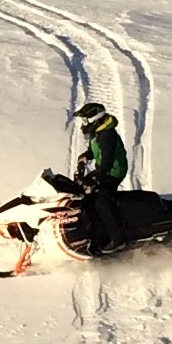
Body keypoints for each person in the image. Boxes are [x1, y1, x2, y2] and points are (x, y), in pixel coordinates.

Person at [73, 101, 128, 251]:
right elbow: (94, 149)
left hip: (114, 172)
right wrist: (86, 156)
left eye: (85, 120)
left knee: (102, 202)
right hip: (104, 169)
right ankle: (98, 232)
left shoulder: (107, 135)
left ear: (94, 119)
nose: (83, 123)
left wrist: (96, 178)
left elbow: (107, 161)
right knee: (86, 198)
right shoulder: (97, 131)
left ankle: (118, 240)